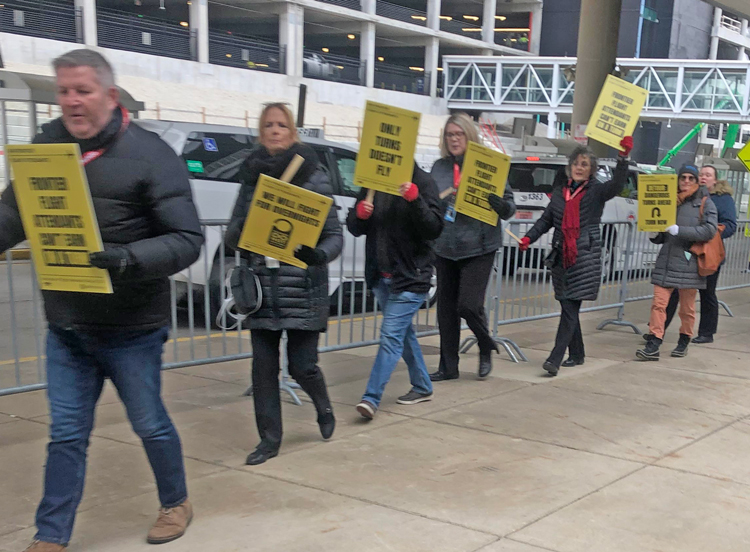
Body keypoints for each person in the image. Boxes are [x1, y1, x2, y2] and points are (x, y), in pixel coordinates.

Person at [0, 50, 204, 551]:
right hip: (68, 325)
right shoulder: (45, 146)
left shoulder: (152, 154)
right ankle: (51, 535)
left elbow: (187, 238)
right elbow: (12, 213)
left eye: (82, 90)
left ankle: (175, 501)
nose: (70, 101)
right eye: (63, 91)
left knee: (149, 424)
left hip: (133, 328)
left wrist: (129, 257)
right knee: (66, 434)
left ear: (110, 96)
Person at [226, 103, 343, 466]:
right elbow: (233, 232)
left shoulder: (314, 174)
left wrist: (318, 255)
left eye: (281, 125)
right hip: (261, 289)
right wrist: (245, 231)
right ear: (260, 132)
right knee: (263, 369)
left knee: (302, 366)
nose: (275, 130)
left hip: (302, 288)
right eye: (268, 125)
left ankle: (323, 407)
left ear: (292, 131)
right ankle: (269, 440)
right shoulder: (250, 176)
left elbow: (334, 234)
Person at [519, 138, 632, 376]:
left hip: (584, 255)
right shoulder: (560, 194)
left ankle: (555, 358)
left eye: (584, 164)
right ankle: (577, 353)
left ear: (591, 170)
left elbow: (617, 184)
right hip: (561, 256)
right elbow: (546, 221)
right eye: (576, 164)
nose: (579, 167)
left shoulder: (596, 192)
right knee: (567, 305)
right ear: (570, 167)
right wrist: (529, 238)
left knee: (570, 307)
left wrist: (623, 158)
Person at [347, 167, 443, 419]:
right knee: (403, 334)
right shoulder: (373, 180)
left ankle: (371, 398)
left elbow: (434, 227)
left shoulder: (422, 181)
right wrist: (359, 216)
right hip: (381, 277)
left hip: (411, 276)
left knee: (391, 336)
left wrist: (415, 199)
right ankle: (422, 386)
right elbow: (355, 227)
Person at [429, 113, 516, 382]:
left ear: (469, 135)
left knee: (468, 305)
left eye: (459, 134)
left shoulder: (487, 163)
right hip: (445, 246)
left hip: (479, 245)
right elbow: (431, 204)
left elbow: (509, 206)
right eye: (449, 135)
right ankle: (448, 366)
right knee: (445, 310)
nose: (454, 139)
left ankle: (485, 344)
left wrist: (500, 205)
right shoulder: (440, 167)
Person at [641, 165, 737, 345]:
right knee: (669, 296)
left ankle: (705, 332)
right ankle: (656, 334)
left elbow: (728, 225)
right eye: (701, 174)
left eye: (707, 175)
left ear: (715, 180)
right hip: (678, 253)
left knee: (705, 294)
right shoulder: (678, 199)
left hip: (705, 253)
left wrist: (704, 234)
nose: (702, 177)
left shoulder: (719, 200)